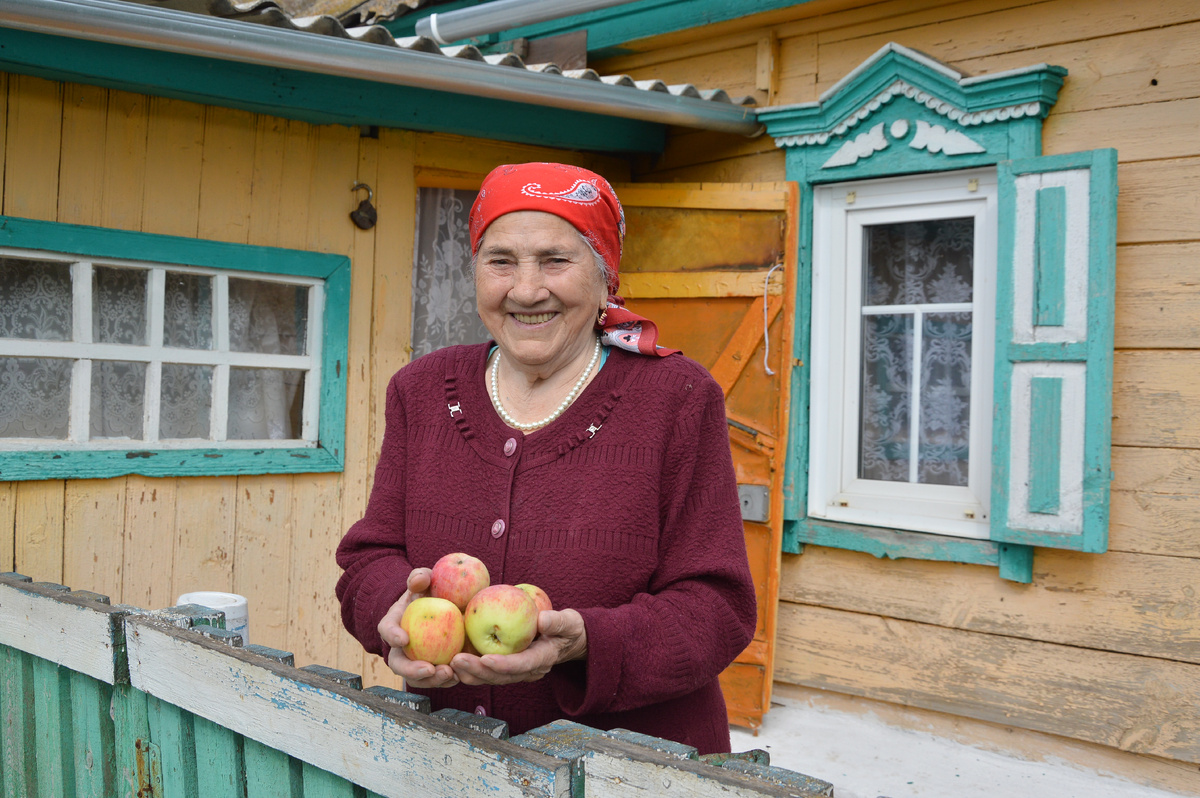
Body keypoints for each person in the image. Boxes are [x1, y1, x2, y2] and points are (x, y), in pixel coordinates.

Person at [335, 162, 756, 754]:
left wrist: (587, 643)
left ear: (606, 277)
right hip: (452, 762)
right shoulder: (421, 390)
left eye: (556, 260)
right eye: (500, 261)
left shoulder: (677, 398)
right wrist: (392, 612)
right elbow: (370, 557)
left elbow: (718, 608)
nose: (526, 290)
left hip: (632, 769)